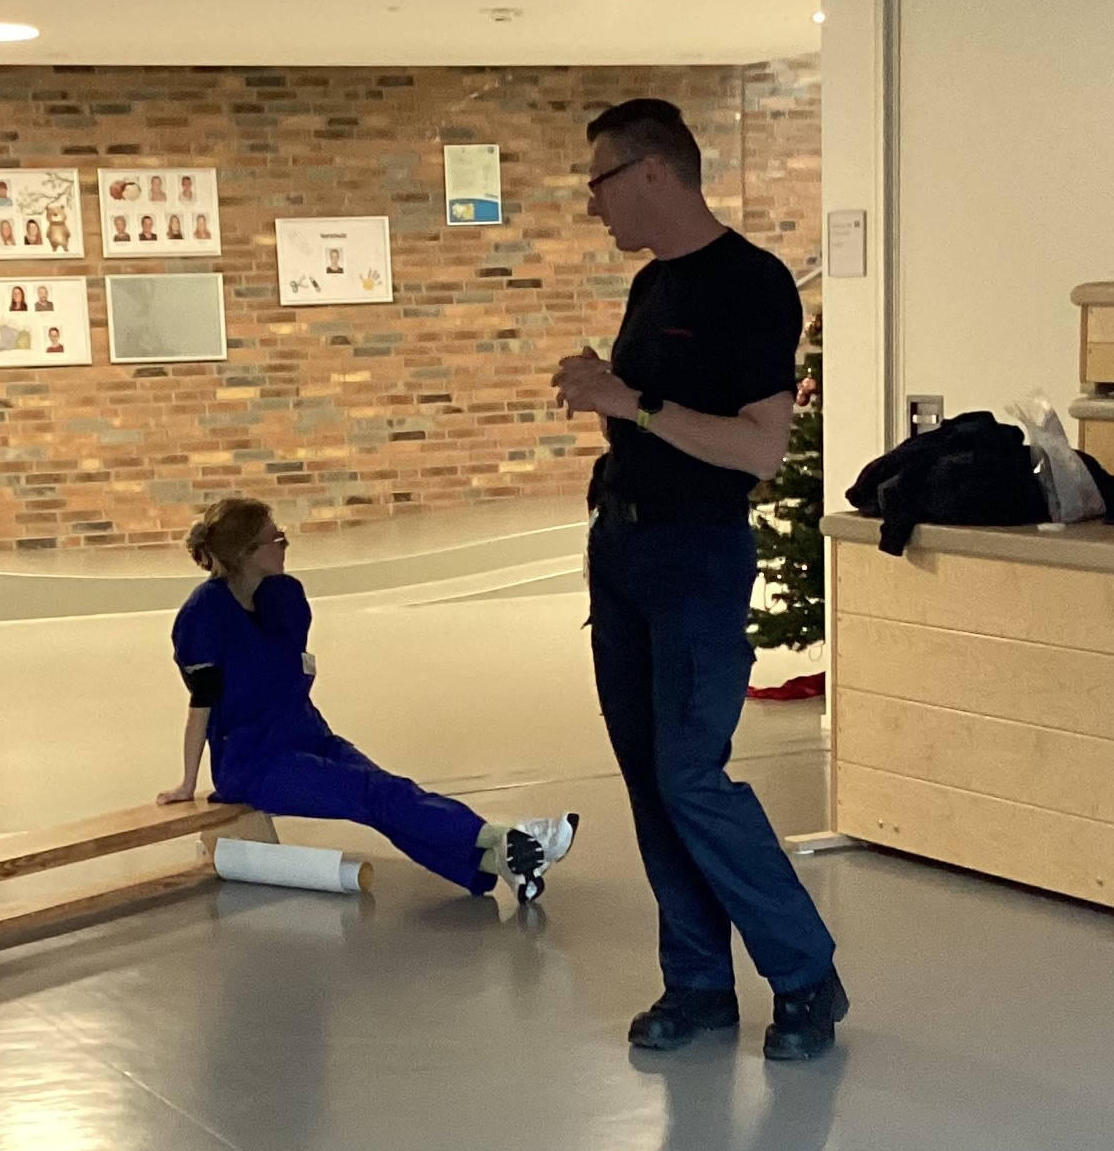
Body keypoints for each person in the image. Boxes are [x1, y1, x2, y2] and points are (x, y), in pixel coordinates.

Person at [553, 96, 846, 1063]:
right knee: (650, 779)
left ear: (651, 172)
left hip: (694, 558)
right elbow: (653, 416)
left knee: (689, 774)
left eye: (598, 182)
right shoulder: (651, 285)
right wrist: (610, 394)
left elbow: (759, 450)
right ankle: (697, 982)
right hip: (622, 550)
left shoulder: (752, 284)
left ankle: (804, 974)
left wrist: (628, 399)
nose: (591, 204)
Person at [159, 495, 577, 903]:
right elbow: (202, 704)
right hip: (256, 762)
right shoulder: (205, 614)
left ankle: (501, 861)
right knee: (374, 794)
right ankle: (509, 838)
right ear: (247, 552)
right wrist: (188, 783)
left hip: (309, 735)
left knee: (388, 794)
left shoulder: (282, 598)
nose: (285, 545)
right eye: (276, 539)